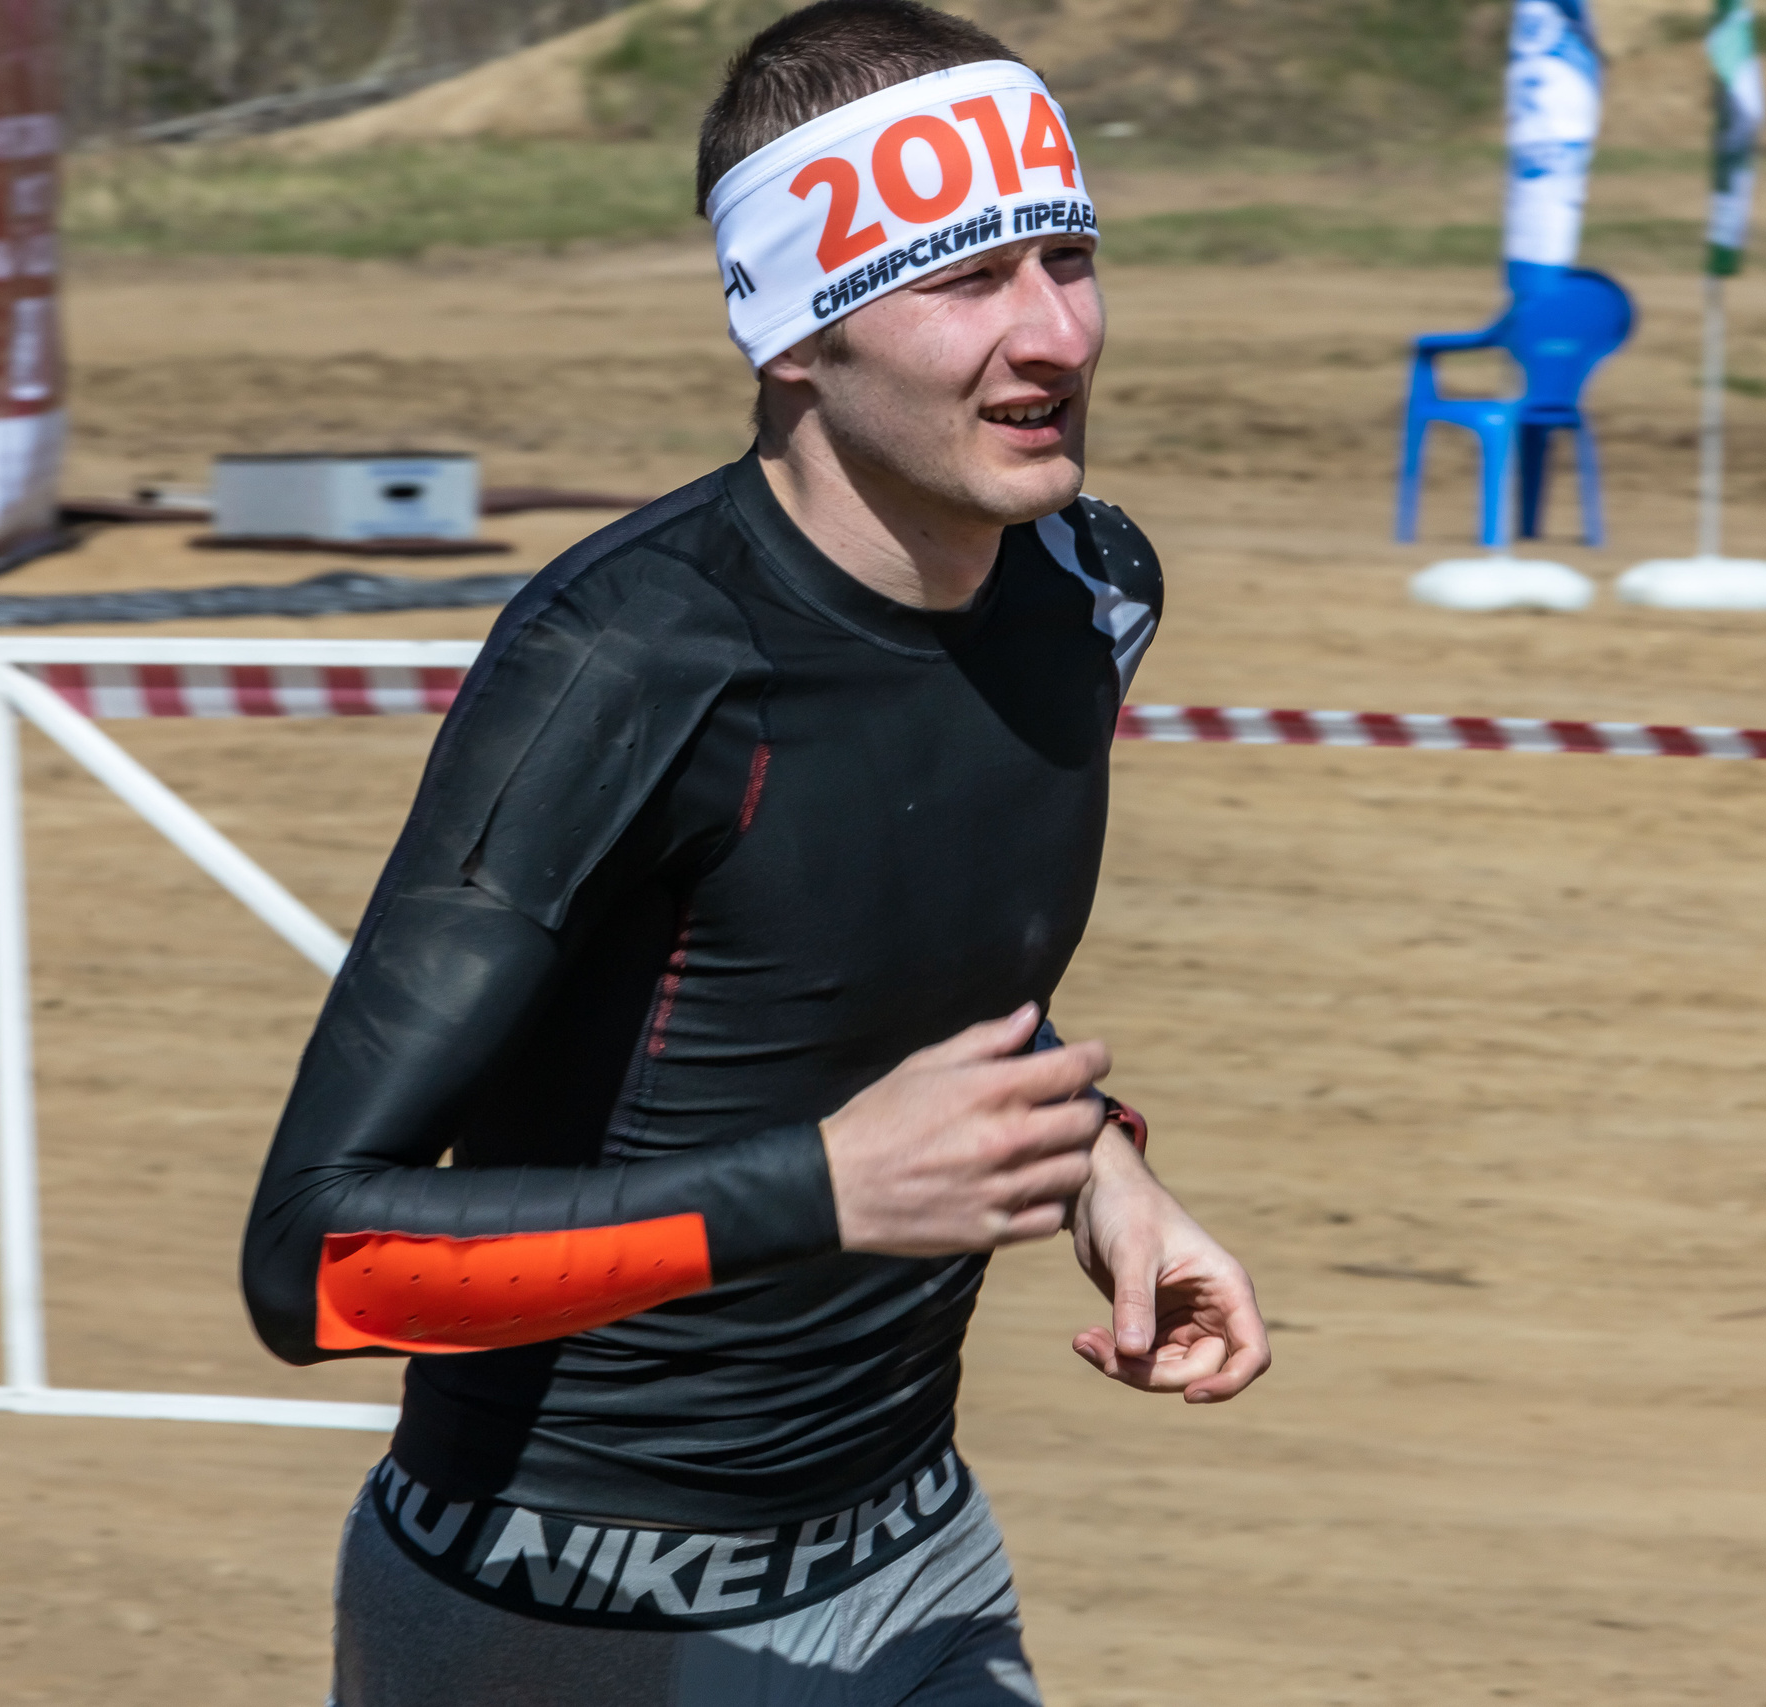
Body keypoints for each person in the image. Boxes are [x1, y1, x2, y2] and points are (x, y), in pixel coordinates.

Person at [239, 4, 1270, 1701]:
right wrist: (823, 1192)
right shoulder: (623, 664)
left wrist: (1094, 1165)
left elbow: (872, 983)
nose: (1053, 336)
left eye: (1069, 257)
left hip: (911, 1560)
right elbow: (319, 1260)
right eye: (966, 281)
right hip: (560, 1624)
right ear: (795, 330)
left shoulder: (1095, 589)